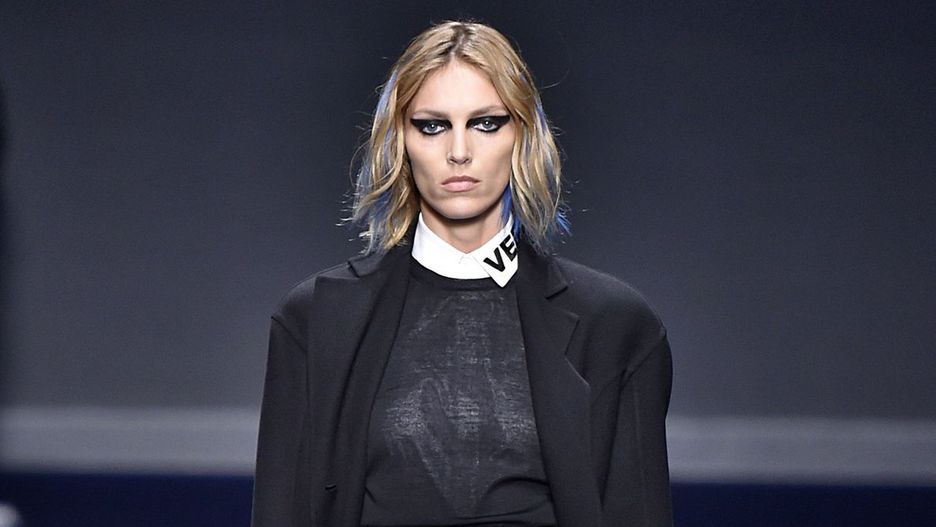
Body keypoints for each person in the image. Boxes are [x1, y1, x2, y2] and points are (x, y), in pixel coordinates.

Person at [251, 20, 673, 527]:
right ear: (400, 140)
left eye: (486, 123)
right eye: (432, 125)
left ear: (523, 135)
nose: (458, 151)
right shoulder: (317, 319)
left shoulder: (614, 324)